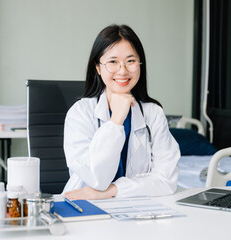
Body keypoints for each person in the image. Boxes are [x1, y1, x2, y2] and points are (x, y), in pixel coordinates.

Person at [63, 24, 180, 200]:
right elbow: (98, 179)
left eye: (131, 61)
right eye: (113, 62)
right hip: (85, 206)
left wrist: (113, 191)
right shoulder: (80, 113)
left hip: (137, 211)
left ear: (140, 64)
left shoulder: (153, 113)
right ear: (98, 67)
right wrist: (116, 120)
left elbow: (166, 180)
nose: (123, 70)